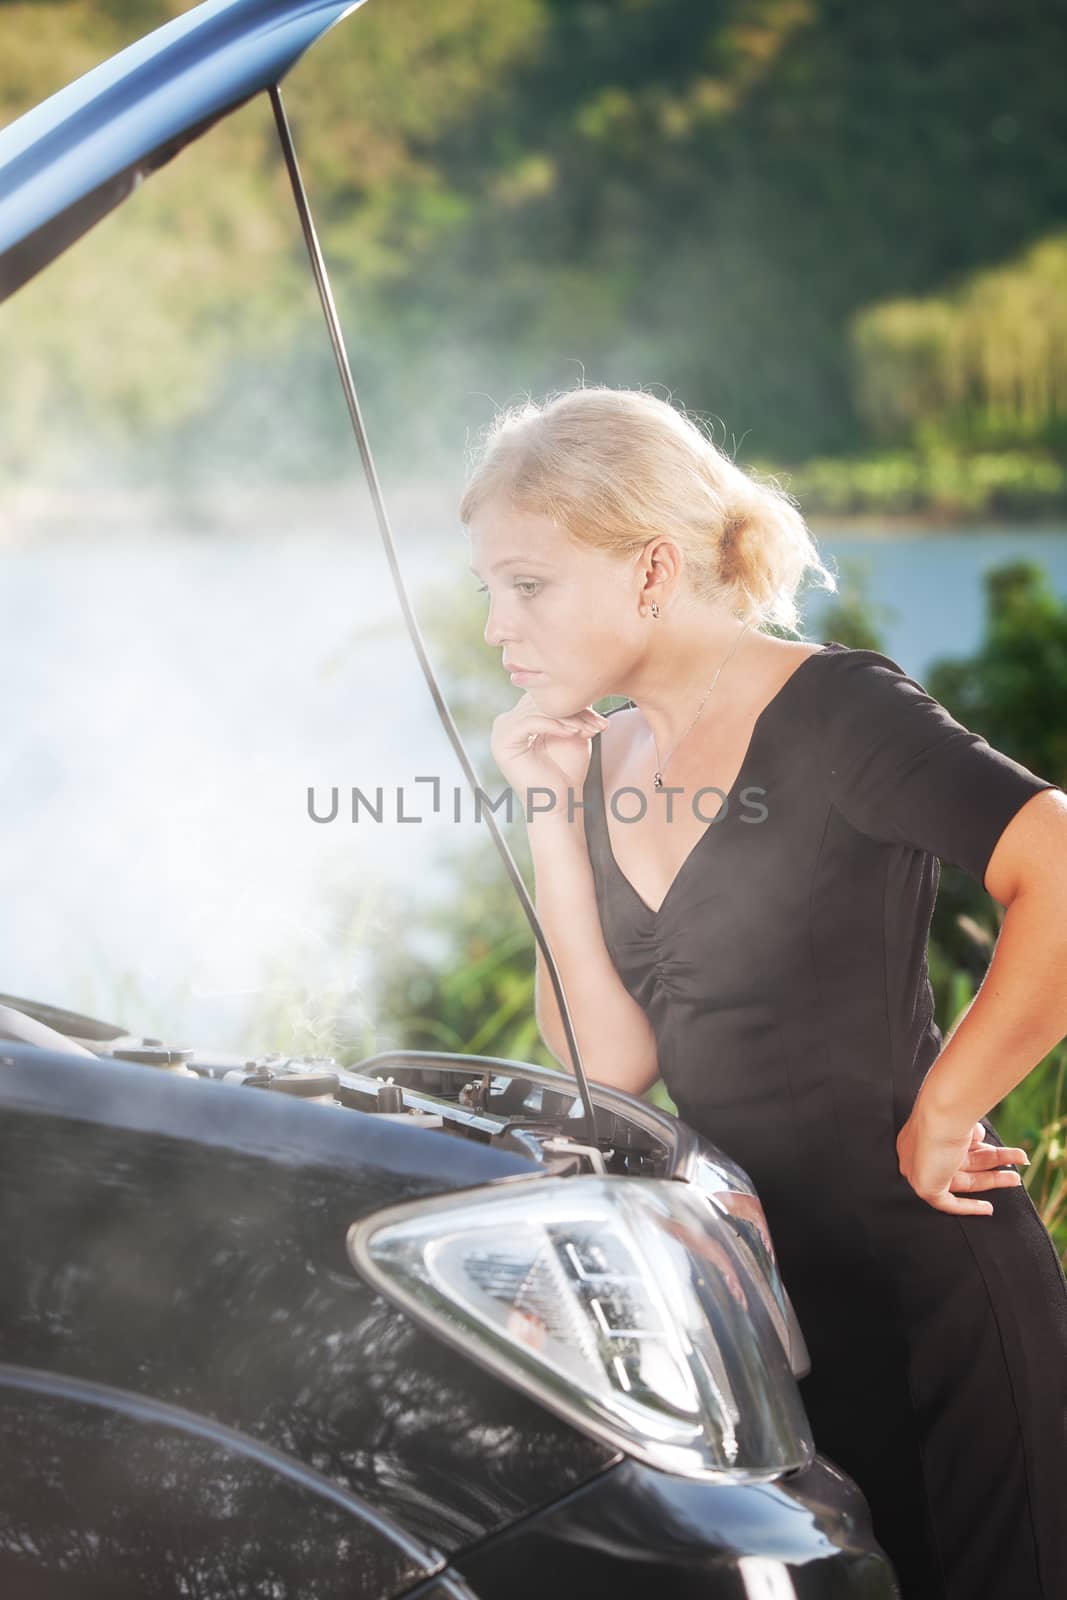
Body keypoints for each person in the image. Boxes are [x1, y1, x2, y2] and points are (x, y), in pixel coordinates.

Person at [462, 383, 1067, 1600]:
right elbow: (609, 1065)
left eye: (525, 584)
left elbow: (1052, 856)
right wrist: (546, 817)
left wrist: (945, 1109)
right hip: (755, 1313)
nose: (495, 626)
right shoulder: (604, 757)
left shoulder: (835, 708)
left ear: (648, 568)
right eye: (489, 591)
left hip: (928, 1284)